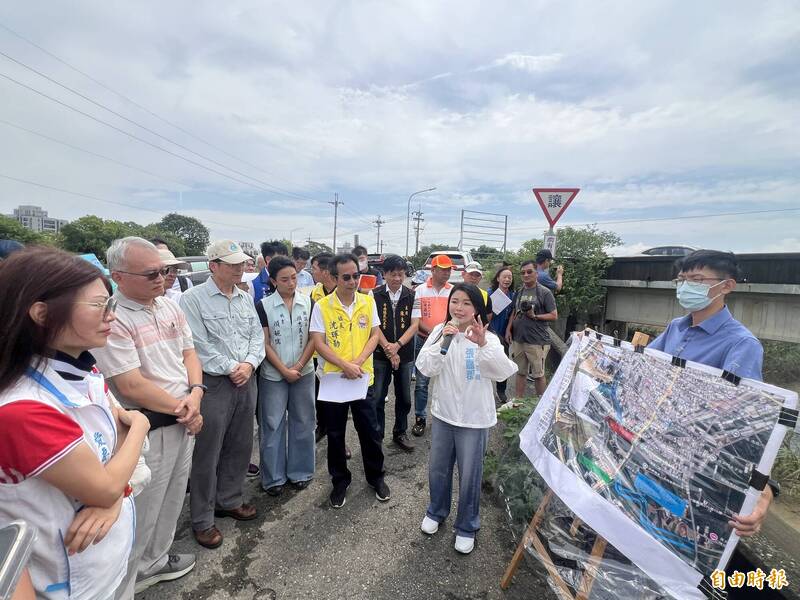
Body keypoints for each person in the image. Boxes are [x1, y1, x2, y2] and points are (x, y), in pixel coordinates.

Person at [0, 247, 150, 597]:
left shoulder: (81, 368)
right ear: (41, 313)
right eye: (99, 305)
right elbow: (105, 482)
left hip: (104, 560)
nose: (111, 315)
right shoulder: (22, 408)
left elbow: (117, 467)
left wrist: (117, 491)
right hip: (64, 580)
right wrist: (141, 424)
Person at [93, 237, 202, 597]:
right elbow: (130, 384)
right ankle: (127, 580)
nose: (162, 278)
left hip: (183, 416)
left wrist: (197, 394)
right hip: (147, 428)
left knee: (172, 496)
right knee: (143, 507)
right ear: (118, 277)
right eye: (153, 272)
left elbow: (189, 353)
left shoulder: (169, 307)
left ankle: (155, 561)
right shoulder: (113, 318)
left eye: (166, 270)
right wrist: (183, 408)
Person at [647, 250, 776, 540]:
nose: (686, 287)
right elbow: (641, 367)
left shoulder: (742, 345)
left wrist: (764, 492)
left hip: (694, 473)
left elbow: (744, 426)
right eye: (681, 280)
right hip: (655, 453)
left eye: (696, 279)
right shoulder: (675, 328)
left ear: (726, 286)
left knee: (674, 542)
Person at [416, 283, 517, 554]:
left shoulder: (489, 338)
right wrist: (442, 343)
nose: (458, 308)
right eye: (455, 301)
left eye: (466, 303)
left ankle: (467, 526)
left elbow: (502, 372)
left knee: (470, 475)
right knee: (438, 469)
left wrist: (482, 344)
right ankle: (436, 512)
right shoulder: (440, 331)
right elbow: (425, 367)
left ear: (477, 310)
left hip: (474, 420)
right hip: (444, 414)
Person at [180, 240, 265, 549]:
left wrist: (250, 363)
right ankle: (202, 519)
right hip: (214, 384)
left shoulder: (244, 299)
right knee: (208, 452)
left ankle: (228, 499)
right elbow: (196, 345)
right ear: (213, 266)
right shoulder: (192, 299)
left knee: (241, 445)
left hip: (246, 380)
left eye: (242, 263)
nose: (241, 268)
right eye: (233, 264)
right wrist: (233, 366)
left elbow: (257, 336)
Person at [309, 253, 390, 508]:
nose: (353, 281)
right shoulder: (322, 306)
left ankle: (376, 477)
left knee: (370, 432)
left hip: (361, 379)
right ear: (334, 278)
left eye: (356, 276)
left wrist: (356, 364)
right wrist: (344, 365)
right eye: (346, 277)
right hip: (334, 380)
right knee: (335, 435)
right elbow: (318, 342)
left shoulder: (368, 301)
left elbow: (375, 334)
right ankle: (340, 482)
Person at [255, 256, 316, 496]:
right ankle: (273, 478)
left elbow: (314, 338)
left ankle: (300, 472)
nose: (291, 283)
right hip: (273, 375)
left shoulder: (309, 303)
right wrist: (283, 370)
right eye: (284, 279)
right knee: (272, 424)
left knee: (304, 421)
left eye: (294, 278)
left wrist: (299, 366)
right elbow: (265, 342)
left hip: (304, 372)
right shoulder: (263, 306)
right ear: (272, 280)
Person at [371, 254, 418, 452]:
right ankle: (377, 433)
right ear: (385, 274)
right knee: (378, 396)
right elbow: (374, 326)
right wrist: (389, 350)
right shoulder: (373, 295)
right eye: (393, 274)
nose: (397, 279)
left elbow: (415, 324)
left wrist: (397, 346)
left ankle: (400, 432)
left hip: (405, 354)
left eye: (401, 274)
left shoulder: (412, 295)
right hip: (381, 354)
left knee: (404, 397)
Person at [410, 254, 453, 436]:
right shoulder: (420, 290)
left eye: (449, 270)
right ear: (433, 270)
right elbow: (416, 319)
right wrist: (433, 335)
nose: (446, 273)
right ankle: (420, 418)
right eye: (442, 269)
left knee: (449, 380)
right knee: (422, 382)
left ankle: (445, 419)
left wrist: (442, 335)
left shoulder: (453, 291)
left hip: (448, 340)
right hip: (423, 339)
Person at [505, 260, 558, 397]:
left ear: (536, 273)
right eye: (523, 273)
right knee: (520, 372)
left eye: (529, 272)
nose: (526, 275)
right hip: (519, 338)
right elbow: (514, 312)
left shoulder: (544, 292)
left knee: (538, 374)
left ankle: (540, 404)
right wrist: (508, 329)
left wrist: (535, 316)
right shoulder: (519, 291)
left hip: (537, 340)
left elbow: (553, 315)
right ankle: (518, 402)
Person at [487, 265, 515, 402]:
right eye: (504, 276)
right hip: (490, 332)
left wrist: (509, 329)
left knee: (503, 362)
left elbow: (512, 314)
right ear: (498, 278)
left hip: (504, 334)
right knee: (486, 361)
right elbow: (487, 316)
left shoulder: (513, 295)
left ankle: (501, 391)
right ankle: (484, 391)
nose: (507, 279)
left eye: (510, 277)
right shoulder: (490, 293)